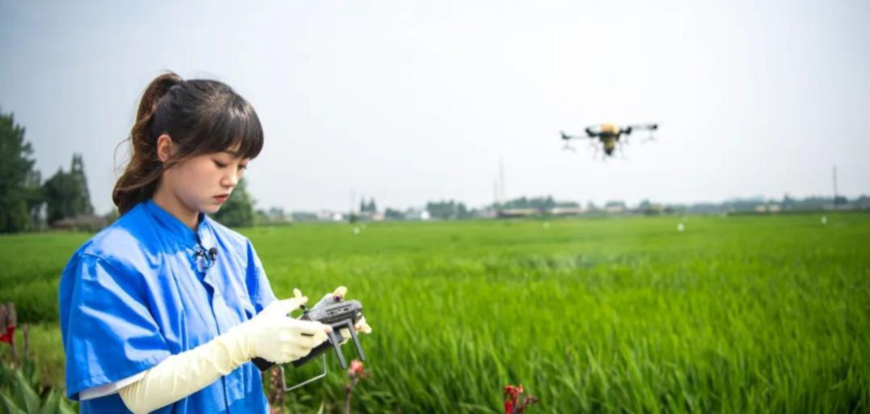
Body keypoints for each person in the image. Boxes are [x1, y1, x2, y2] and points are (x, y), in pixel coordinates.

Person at [58, 72, 370, 413]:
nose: (231, 179)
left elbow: (259, 355)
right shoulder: (108, 262)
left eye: (242, 166)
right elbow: (138, 393)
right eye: (220, 162)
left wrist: (314, 331)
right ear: (167, 149)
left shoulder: (237, 251)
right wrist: (243, 342)